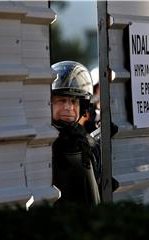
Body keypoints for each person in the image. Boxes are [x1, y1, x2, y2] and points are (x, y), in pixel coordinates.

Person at [51, 61, 101, 206]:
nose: (69, 107)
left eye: (74, 101)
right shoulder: (40, 142)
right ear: (49, 103)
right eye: (62, 100)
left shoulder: (88, 143)